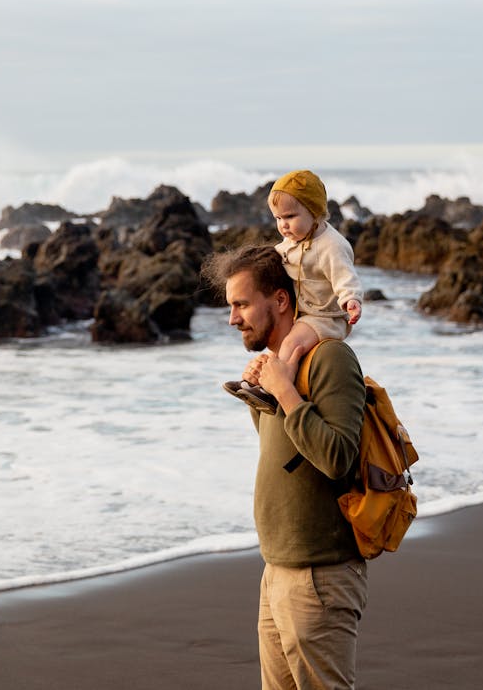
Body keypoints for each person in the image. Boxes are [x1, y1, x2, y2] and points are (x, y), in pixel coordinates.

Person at [204, 245, 369, 690]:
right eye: (230, 306)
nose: (233, 318)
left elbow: (337, 459)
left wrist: (285, 391)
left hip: (321, 575)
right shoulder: (278, 368)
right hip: (277, 570)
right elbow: (286, 454)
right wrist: (265, 392)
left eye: (241, 304)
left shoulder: (331, 358)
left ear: (280, 300)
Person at [224, 170, 363, 414]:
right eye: (278, 218)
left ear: (314, 212)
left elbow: (344, 276)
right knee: (280, 349)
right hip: (304, 313)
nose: (283, 225)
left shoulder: (331, 245)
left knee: (290, 344)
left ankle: (274, 391)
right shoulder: (291, 242)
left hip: (325, 317)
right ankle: (260, 386)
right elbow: (275, 256)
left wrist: (350, 299)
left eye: (289, 216)